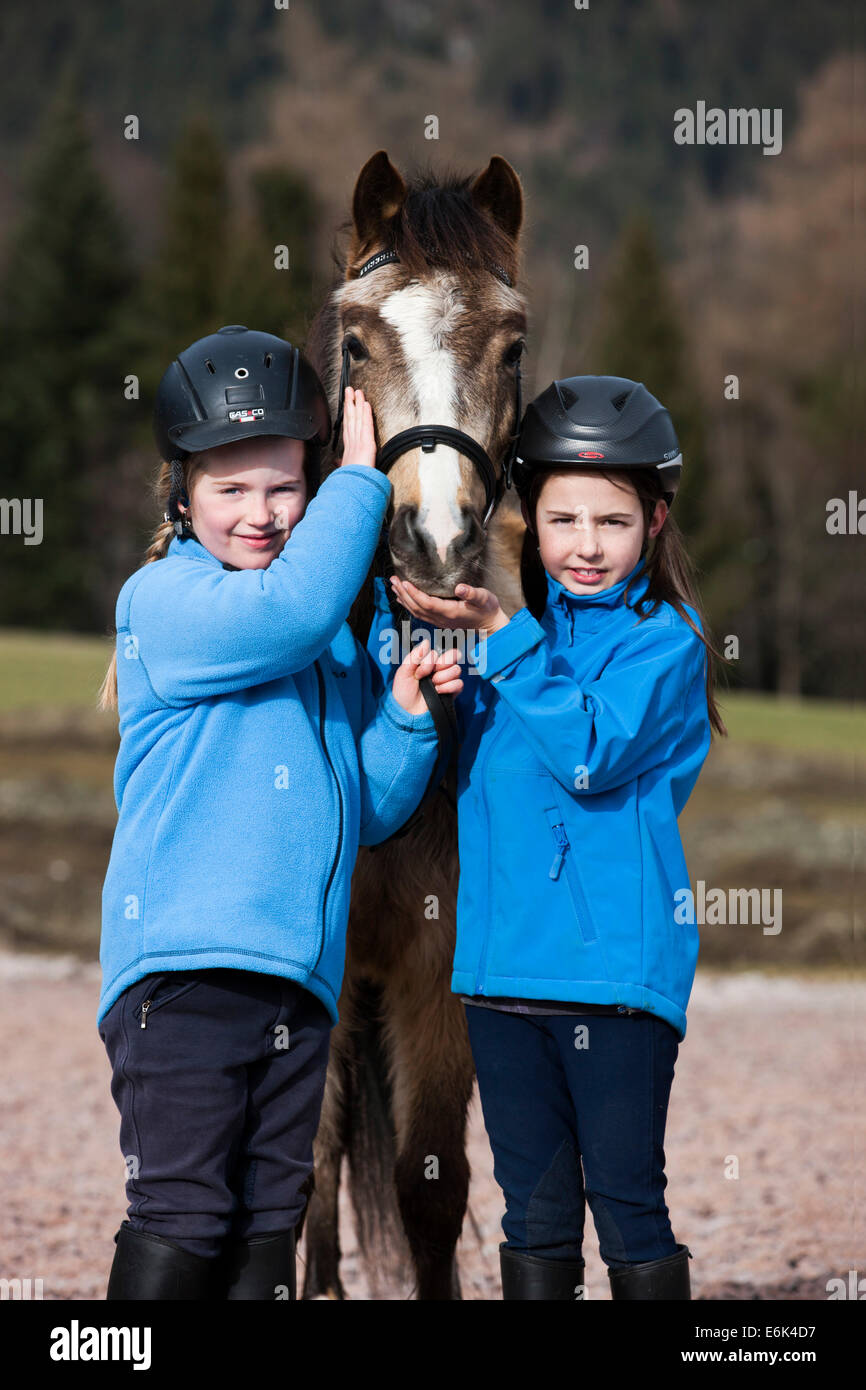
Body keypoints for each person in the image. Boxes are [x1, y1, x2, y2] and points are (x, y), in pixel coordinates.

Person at [95, 325, 463, 1300]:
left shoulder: (323, 659)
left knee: (268, 1229)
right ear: (181, 497)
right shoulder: (167, 604)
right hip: (185, 979)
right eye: (230, 489)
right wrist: (358, 478)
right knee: (182, 1215)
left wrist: (405, 719)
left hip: (297, 987)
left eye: (282, 488)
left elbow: (370, 805)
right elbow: (296, 609)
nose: (259, 514)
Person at [388, 374, 729, 1300]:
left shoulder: (669, 643)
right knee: (530, 1219)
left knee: (626, 1207)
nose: (586, 546)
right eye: (564, 520)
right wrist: (429, 706)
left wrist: (504, 640)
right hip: (499, 982)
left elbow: (590, 751)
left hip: (613, 982)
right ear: (526, 523)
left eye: (613, 522)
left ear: (655, 522)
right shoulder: (513, 644)